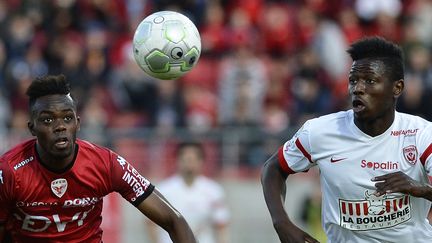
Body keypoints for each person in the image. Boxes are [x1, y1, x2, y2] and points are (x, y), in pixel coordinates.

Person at [261, 36, 432, 243]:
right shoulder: (321, 131)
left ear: (397, 88)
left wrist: (420, 189)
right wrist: (282, 223)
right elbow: (273, 168)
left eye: (370, 81)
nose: (357, 88)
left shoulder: (421, 134)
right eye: (353, 80)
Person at [0, 74, 197, 242]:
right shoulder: (9, 171)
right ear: (32, 128)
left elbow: (174, 220)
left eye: (67, 118)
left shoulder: (106, 163)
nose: (60, 126)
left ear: (77, 123)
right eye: (48, 119)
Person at [146, 141, 230, 243]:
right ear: (178, 160)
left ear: (201, 161)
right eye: (185, 159)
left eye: (193, 160)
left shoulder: (213, 191)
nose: (189, 164)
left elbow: (221, 225)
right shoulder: (163, 190)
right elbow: (151, 224)